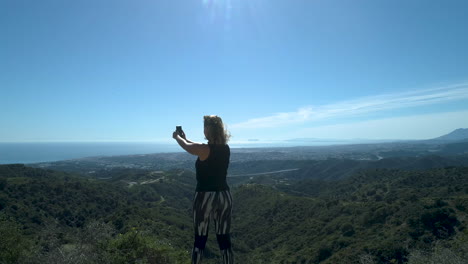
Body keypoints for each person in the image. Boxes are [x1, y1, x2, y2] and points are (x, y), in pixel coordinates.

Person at [173, 115, 234, 264]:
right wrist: (186, 138)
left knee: (200, 239)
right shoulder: (225, 149)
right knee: (224, 238)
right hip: (224, 196)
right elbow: (198, 145)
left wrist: (178, 138)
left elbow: (188, 147)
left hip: (204, 197)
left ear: (208, 129)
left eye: (204, 127)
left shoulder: (203, 150)